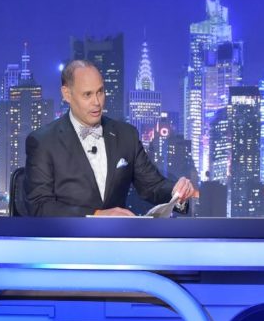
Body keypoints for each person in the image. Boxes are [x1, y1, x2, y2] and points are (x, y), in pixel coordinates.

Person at [25, 60, 196, 217]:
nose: (97, 102)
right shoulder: (43, 142)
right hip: (67, 244)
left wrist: (177, 193)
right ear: (67, 94)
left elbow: (152, 185)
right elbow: (40, 206)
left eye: (100, 92)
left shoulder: (126, 135)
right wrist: (97, 215)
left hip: (116, 243)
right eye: (87, 95)